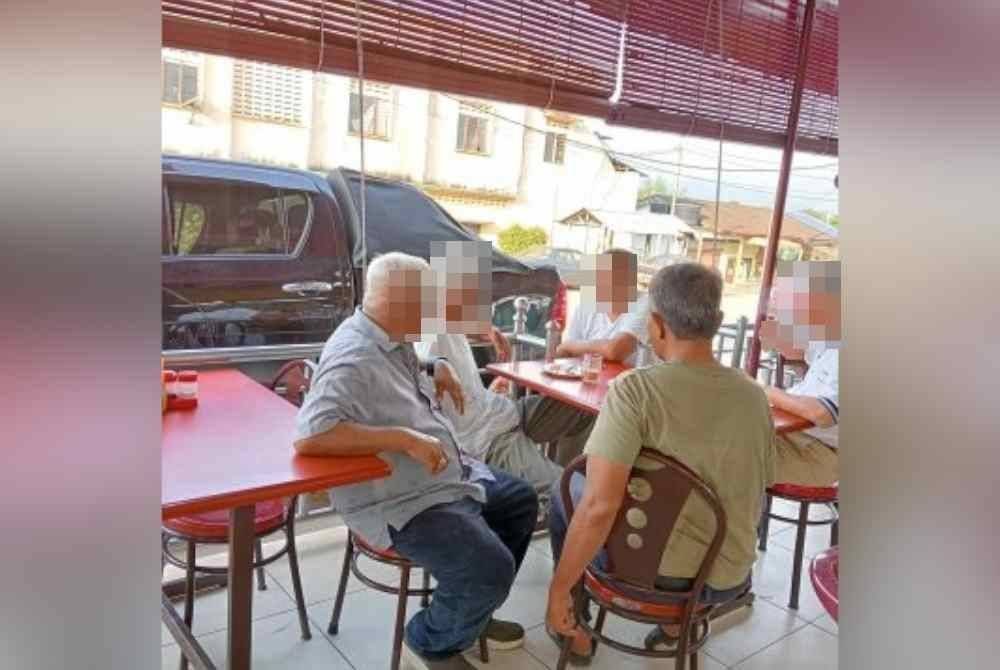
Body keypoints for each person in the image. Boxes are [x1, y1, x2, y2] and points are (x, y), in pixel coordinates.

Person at [294, 252, 537, 670]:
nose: (436, 314)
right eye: (428, 303)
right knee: (489, 568)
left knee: (520, 501)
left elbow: (396, 370)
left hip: (441, 477)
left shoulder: (388, 337)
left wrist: (435, 364)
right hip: (397, 499)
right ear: (400, 304)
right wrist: (404, 439)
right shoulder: (353, 357)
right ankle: (428, 641)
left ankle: (472, 614)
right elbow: (311, 435)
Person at [544, 262, 775, 663]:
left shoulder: (635, 391)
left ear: (656, 324)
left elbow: (600, 507)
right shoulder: (755, 396)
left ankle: (572, 618)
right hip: (725, 579)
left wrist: (556, 590)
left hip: (648, 574)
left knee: (563, 491)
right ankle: (674, 627)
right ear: (717, 321)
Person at [415, 241, 593, 495]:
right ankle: (566, 492)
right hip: (489, 440)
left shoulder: (452, 323)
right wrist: (436, 365)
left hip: (503, 413)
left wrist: (485, 331)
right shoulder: (432, 331)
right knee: (576, 493)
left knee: (582, 408)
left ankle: (565, 480)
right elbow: (419, 372)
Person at [759, 260, 840, 487]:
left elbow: (822, 412)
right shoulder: (829, 341)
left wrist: (763, 390)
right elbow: (792, 348)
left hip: (820, 454)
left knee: (726, 457)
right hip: (800, 439)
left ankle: (728, 520)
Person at [556, 248, 652, 368]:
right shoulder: (587, 304)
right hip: (587, 380)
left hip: (629, 384)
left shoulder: (645, 303)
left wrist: (571, 346)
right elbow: (566, 352)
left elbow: (615, 351)